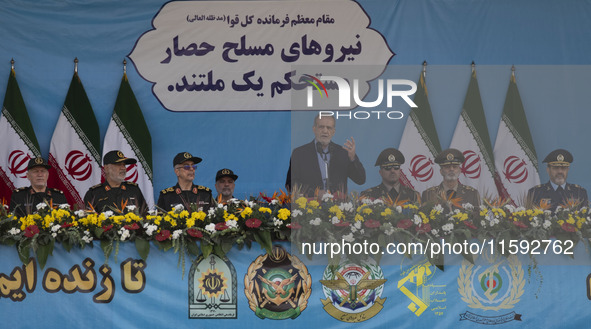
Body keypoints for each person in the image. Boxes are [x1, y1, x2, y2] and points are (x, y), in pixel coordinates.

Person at [285, 114, 366, 197]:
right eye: (321, 127)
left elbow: (360, 180)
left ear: (333, 131)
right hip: (308, 206)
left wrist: (352, 158)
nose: (325, 131)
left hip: (338, 207)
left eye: (329, 128)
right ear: (314, 129)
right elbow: (290, 183)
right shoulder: (299, 153)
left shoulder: (343, 153)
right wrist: (314, 193)